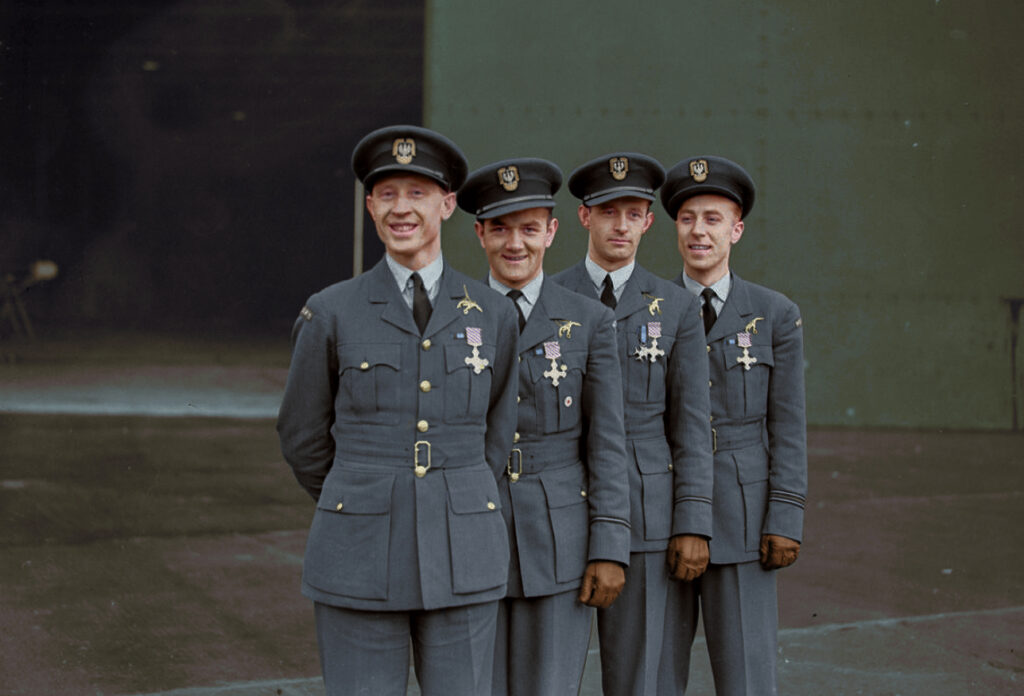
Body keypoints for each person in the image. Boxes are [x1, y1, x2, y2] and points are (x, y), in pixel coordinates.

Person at [276, 125, 520, 696]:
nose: (401, 208)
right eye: (387, 194)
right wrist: (361, 493)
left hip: (463, 553)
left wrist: (451, 494)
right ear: (370, 206)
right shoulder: (331, 312)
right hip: (358, 552)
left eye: (417, 193)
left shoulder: (492, 314)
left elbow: (497, 433)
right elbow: (302, 435)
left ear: (448, 204)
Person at [457, 157, 631, 696]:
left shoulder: (590, 321)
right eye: (501, 229)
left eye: (530, 229)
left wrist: (608, 546)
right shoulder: (451, 315)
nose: (516, 244)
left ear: (552, 232)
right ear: (480, 232)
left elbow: (606, 443)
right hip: (467, 529)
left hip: (558, 539)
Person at [551, 152, 714, 696]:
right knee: (546, 673)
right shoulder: (547, 298)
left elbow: (691, 424)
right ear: (584, 217)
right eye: (607, 211)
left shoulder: (675, 307)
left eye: (634, 213)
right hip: (560, 508)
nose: (620, 226)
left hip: (649, 511)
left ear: (649, 221)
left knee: (644, 678)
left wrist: (692, 521)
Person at [659, 155, 807, 695]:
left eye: (713, 218)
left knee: (747, 675)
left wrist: (786, 513)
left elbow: (787, 423)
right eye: (687, 217)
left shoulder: (773, 314)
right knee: (655, 673)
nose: (699, 231)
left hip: (743, 517)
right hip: (664, 510)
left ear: (736, 229)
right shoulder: (651, 312)